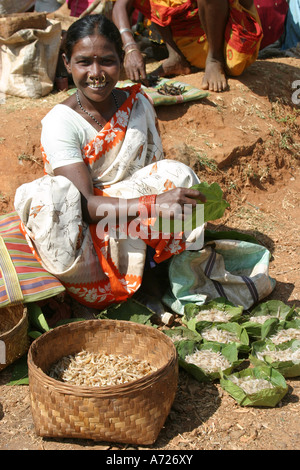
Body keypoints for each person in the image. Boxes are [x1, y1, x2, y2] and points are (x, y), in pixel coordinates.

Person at [14, 14, 206, 312]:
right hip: (83, 229)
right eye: (84, 62)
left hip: (130, 212)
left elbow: (149, 172)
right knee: (51, 195)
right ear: (67, 63)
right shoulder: (60, 122)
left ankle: (160, 270)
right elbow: (84, 206)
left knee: (179, 176)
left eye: (107, 61)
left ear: (121, 60)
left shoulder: (138, 104)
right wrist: (153, 204)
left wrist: (155, 201)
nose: (96, 73)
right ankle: (84, 293)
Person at [112, 0, 263, 92]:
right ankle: (176, 56)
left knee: (233, 64)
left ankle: (214, 60)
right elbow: (121, 6)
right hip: (190, 45)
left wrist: (215, 58)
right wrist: (130, 47)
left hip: (232, 39)